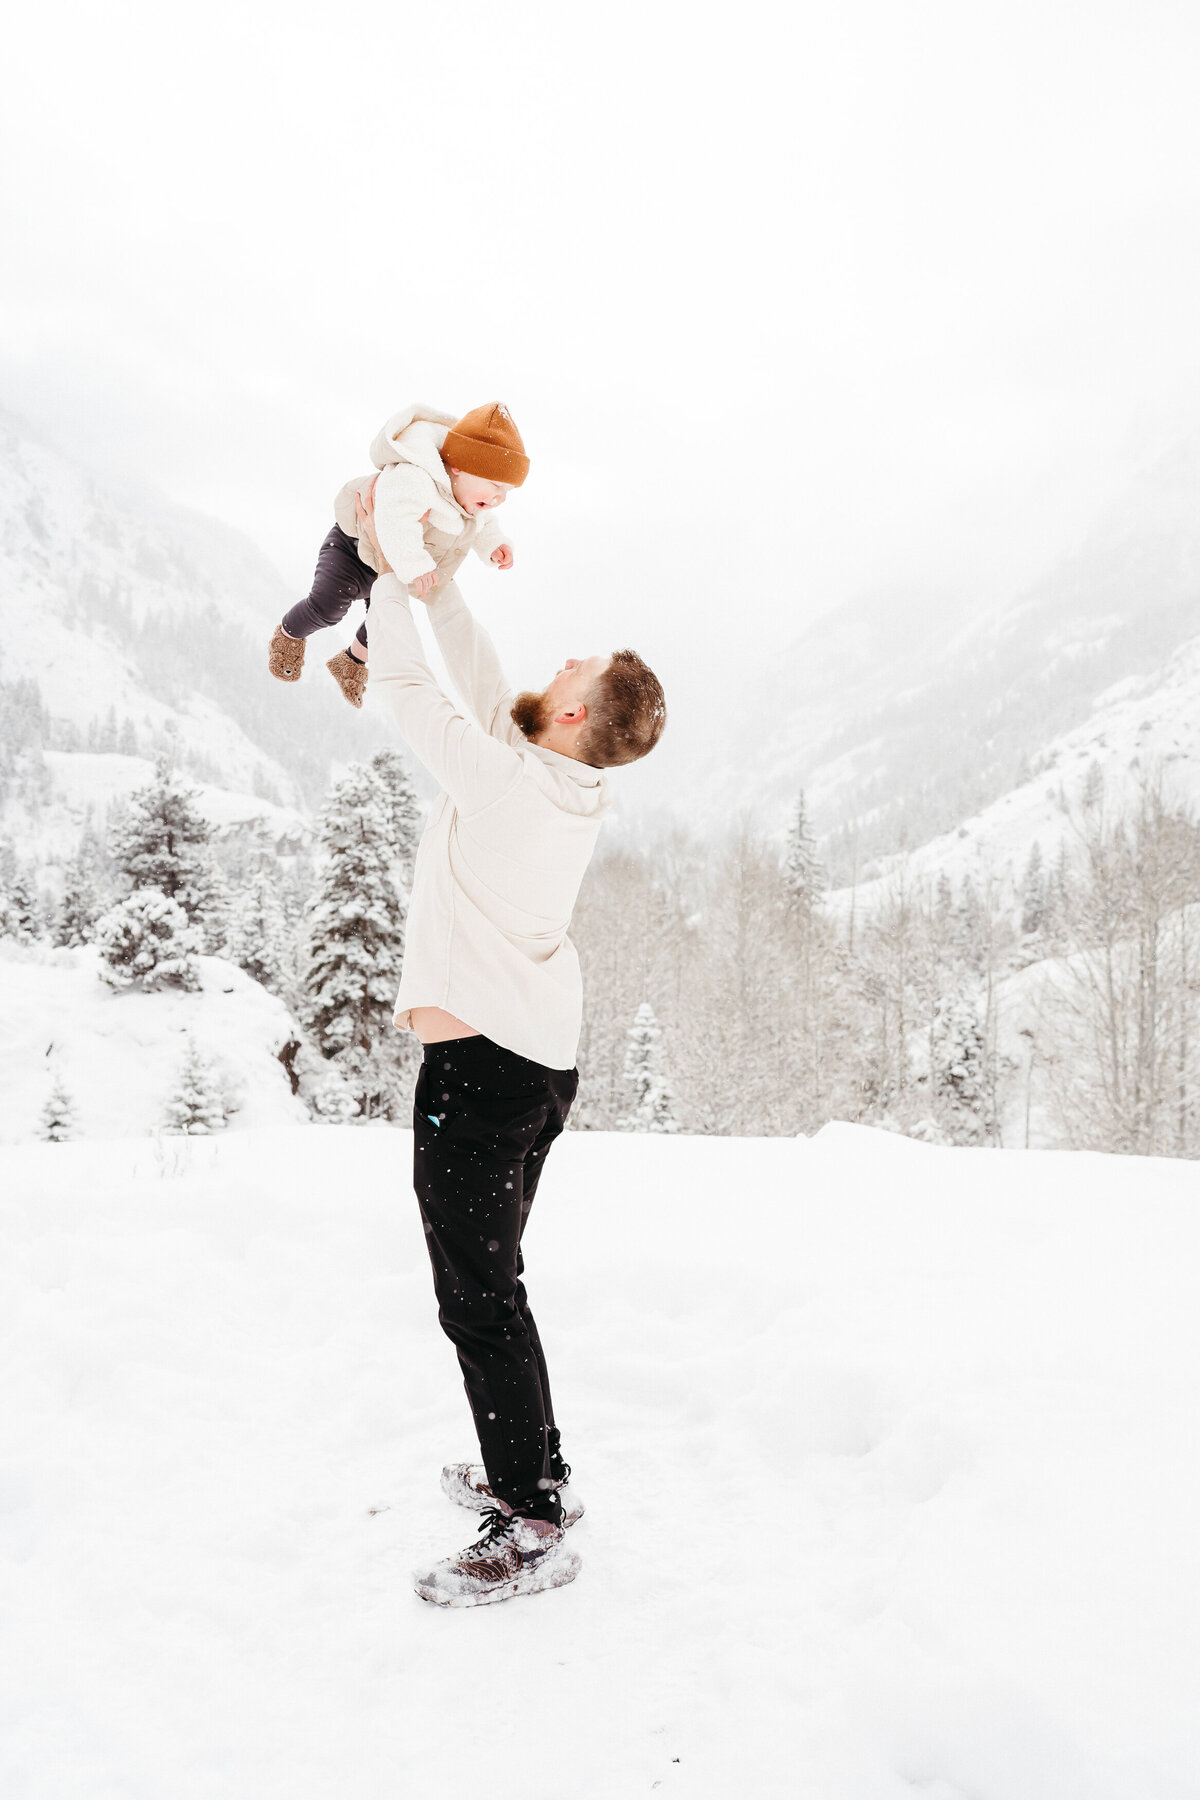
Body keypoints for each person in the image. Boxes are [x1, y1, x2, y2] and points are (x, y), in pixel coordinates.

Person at [354, 484, 666, 1608]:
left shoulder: (508, 782)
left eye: (575, 670)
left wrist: (380, 562)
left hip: (483, 1077)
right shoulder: (553, 772)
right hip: (528, 1069)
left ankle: (531, 1517)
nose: (563, 661)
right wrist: (440, 585)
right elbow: (482, 679)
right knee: (495, 1285)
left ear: (577, 715)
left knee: (476, 1294)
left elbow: (400, 688)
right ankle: (534, 1470)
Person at [267, 402, 525, 708]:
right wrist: (415, 565)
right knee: (329, 606)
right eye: (495, 486)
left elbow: (482, 524)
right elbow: (393, 519)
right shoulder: (415, 477)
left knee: (384, 625)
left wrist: (493, 544)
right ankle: (289, 633)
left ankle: (350, 662)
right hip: (353, 551)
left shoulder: (470, 498)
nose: (498, 499)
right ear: (459, 465)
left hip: (392, 567)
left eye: (507, 492)